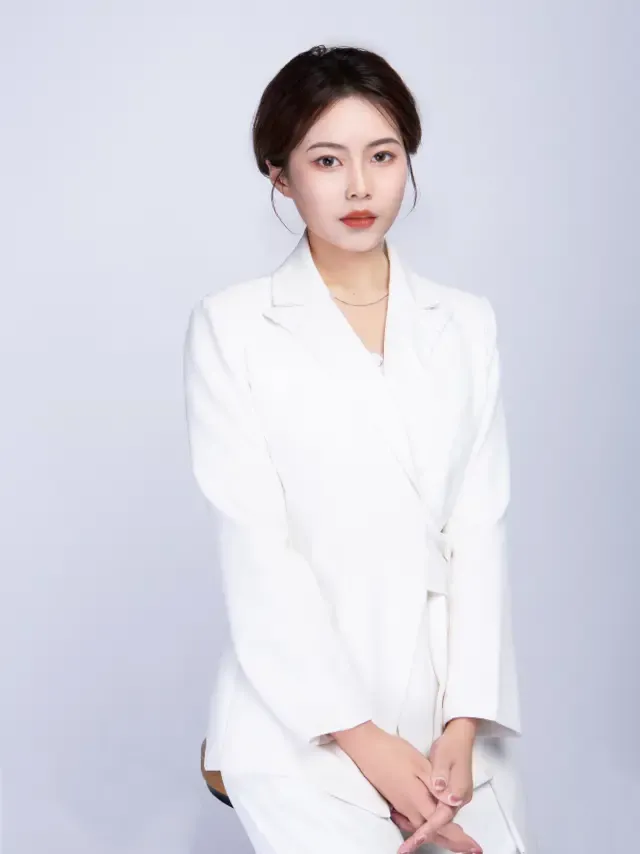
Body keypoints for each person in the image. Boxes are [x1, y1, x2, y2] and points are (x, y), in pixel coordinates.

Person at [183, 44, 527, 854]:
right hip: (304, 719)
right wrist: (368, 743)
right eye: (327, 160)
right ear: (280, 175)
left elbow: (479, 529)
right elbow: (257, 549)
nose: (361, 187)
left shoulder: (465, 323)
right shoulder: (233, 327)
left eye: (383, 155)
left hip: (450, 724)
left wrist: (462, 724)